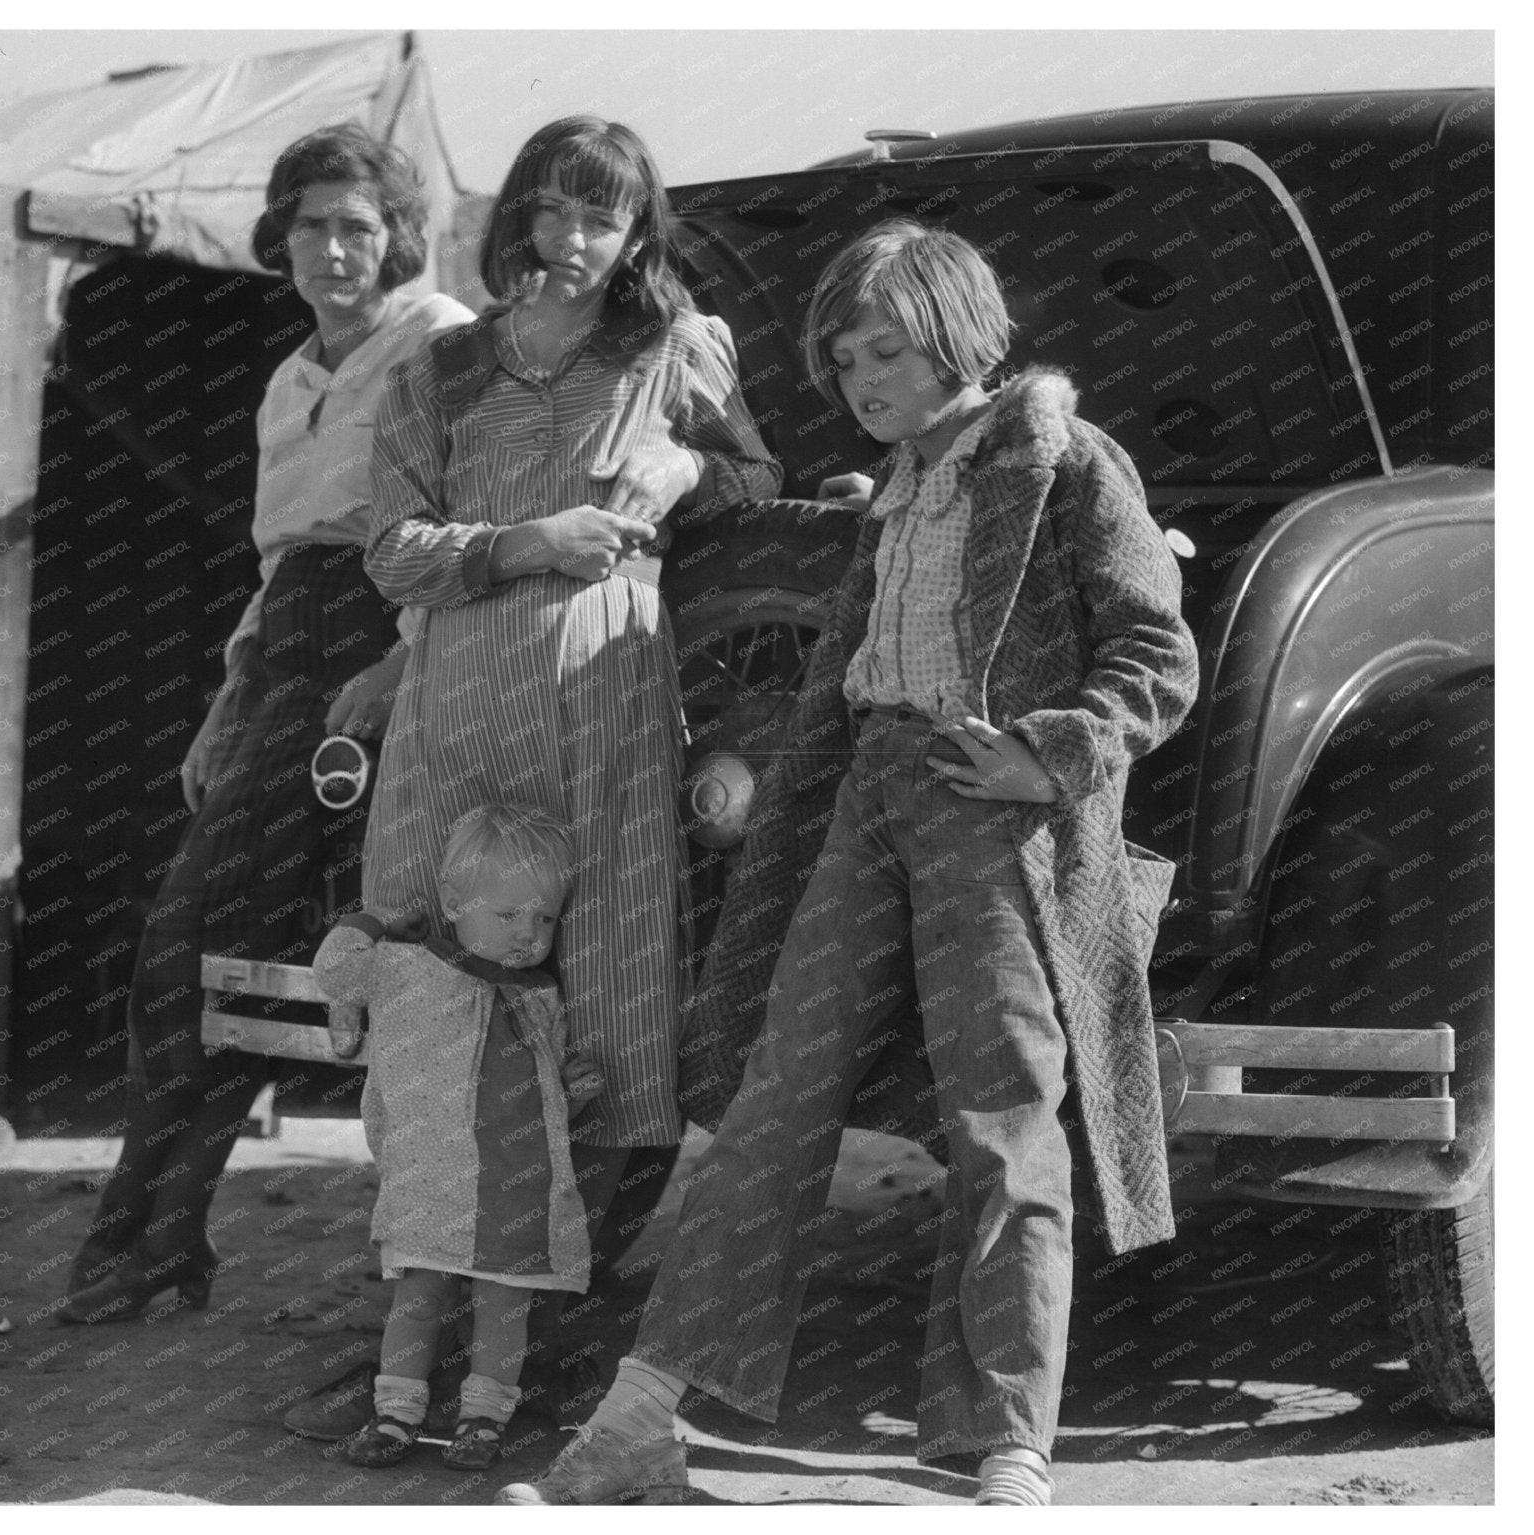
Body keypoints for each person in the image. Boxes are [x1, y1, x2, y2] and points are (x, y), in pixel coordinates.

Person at [499, 219, 1198, 1506]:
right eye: (842, 356)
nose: (859, 376)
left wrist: (1045, 755)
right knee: (770, 1103)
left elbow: (1157, 657)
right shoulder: (897, 485)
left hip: (990, 811)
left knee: (1002, 1116)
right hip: (868, 799)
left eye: (884, 349)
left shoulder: (1067, 463)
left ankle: (1009, 1448)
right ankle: (639, 1416)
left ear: (954, 337)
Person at [354, 112, 782, 1404]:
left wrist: (685, 463)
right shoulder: (441, 368)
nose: (581, 238)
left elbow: (758, 475)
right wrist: (525, 541)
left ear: (639, 227)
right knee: (446, 990)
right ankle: (418, 1329)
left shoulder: (670, 346)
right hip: (461, 706)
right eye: (558, 209)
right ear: (521, 216)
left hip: (604, 708)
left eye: (608, 215)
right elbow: (390, 549)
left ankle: (550, 1327)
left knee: (599, 1001)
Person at [60, 125, 472, 1324]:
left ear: (395, 236)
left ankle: (144, 1245)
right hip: (286, 651)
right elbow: (279, 562)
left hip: (394, 639)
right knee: (192, 960)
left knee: (316, 961)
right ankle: (161, 1241)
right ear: (279, 237)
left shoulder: (437, 341)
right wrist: (226, 703)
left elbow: (465, 519)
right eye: (312, 226)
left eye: (358, 226)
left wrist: (404, 662)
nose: (336, 249)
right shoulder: (290, 377)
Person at [312, 804, 601, 1471]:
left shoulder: (540, 997)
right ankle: (396, 1415)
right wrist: (376, 918)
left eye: (545, 918)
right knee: (416, 1301)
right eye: (507, 916)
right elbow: (336, 973)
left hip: (515, 1191)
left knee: (505, 1309)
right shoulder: (408, 967)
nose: (528, 934)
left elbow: (541, 1103)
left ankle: (482, 1421)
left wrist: (572, 1090)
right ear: (452, 902)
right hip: (431, 1186)